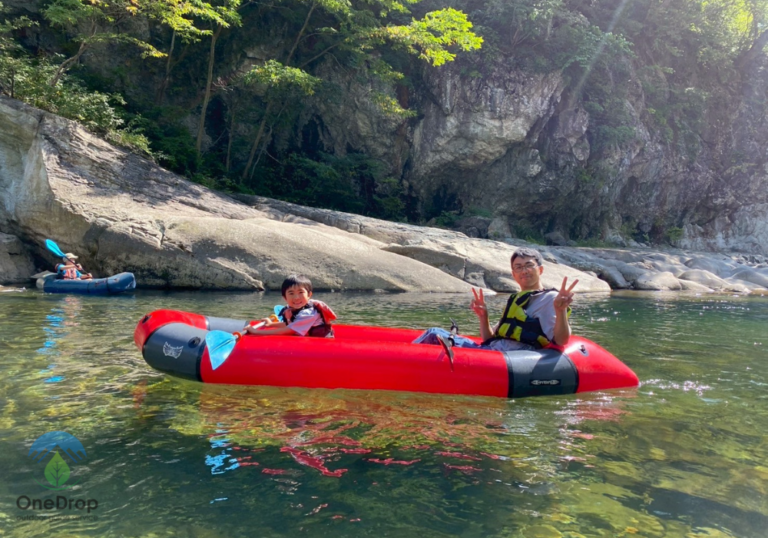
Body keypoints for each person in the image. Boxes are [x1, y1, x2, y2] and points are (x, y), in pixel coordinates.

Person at [413, 247, 577, 351]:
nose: (524, 271)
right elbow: (489, 339)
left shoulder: (551, 298)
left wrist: (560, 310)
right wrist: (483, 317)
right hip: (494, 350)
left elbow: (561, 340)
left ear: (540, 270)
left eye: (529, 265)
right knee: (435, 333)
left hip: (511, 358)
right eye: (518, 267)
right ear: (513, 274)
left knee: (434, 333)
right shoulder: (516, 299)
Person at [244, 275, 336, 337]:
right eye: (291, 293)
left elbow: (289, 330)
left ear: (309, 295)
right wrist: (271, 325)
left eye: (301, 292)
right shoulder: (295, 308)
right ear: (285, 297)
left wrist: (257, 332)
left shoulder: (309, 313)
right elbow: (292, 324)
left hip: (321, 343)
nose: (296, 297)